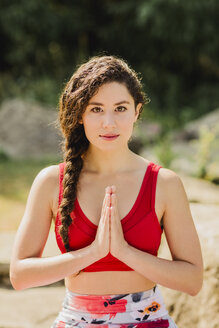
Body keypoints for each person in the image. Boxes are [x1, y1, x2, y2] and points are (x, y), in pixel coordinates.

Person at [10, 55, 203, 328]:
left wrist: (125, 252)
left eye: (120, 108)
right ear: (80, 115)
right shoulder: (52, 181)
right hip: (77, 321)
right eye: (96, 109)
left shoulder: (165, 184)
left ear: (137, 111)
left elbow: (193, 281)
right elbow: (20, 275)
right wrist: (93, 253)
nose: (109, 123)